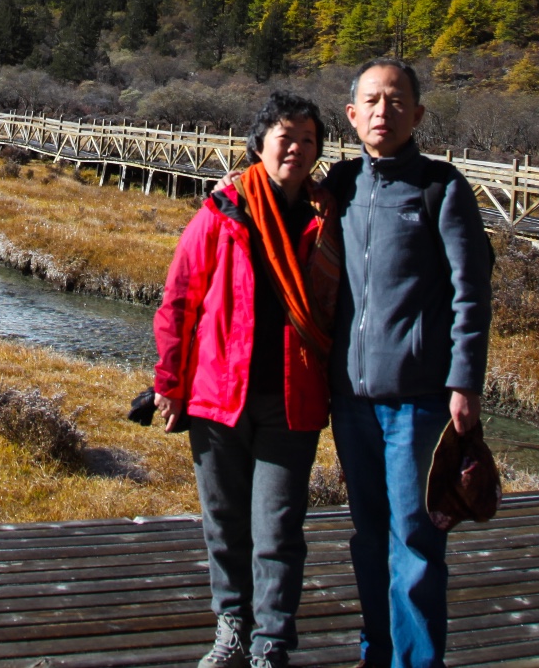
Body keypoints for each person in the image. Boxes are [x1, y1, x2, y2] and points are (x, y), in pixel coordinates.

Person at [152, 92, 345, 668]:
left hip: (294, 397)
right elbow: (180, 299)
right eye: (285, 136)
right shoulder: (223, 210)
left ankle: (272, 646)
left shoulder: (329, 217)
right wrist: (169, 380)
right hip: (218, 395)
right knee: (225, 522)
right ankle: (232, 628)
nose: (296, 147)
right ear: (258, 144)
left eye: (308, 139)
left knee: (279, 529)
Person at [323, 58, 492, 668]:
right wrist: (227, 195)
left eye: (396, 102)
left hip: (418, 401)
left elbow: (472, 292)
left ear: (418, 114)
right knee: (369, 537)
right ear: (351, 114)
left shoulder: (441, 188)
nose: (382, 112)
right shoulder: (340, 186)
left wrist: (464, 382)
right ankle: (378, 652)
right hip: (351, 400)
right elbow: (275, 191)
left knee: (416, 542)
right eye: (370, 101)